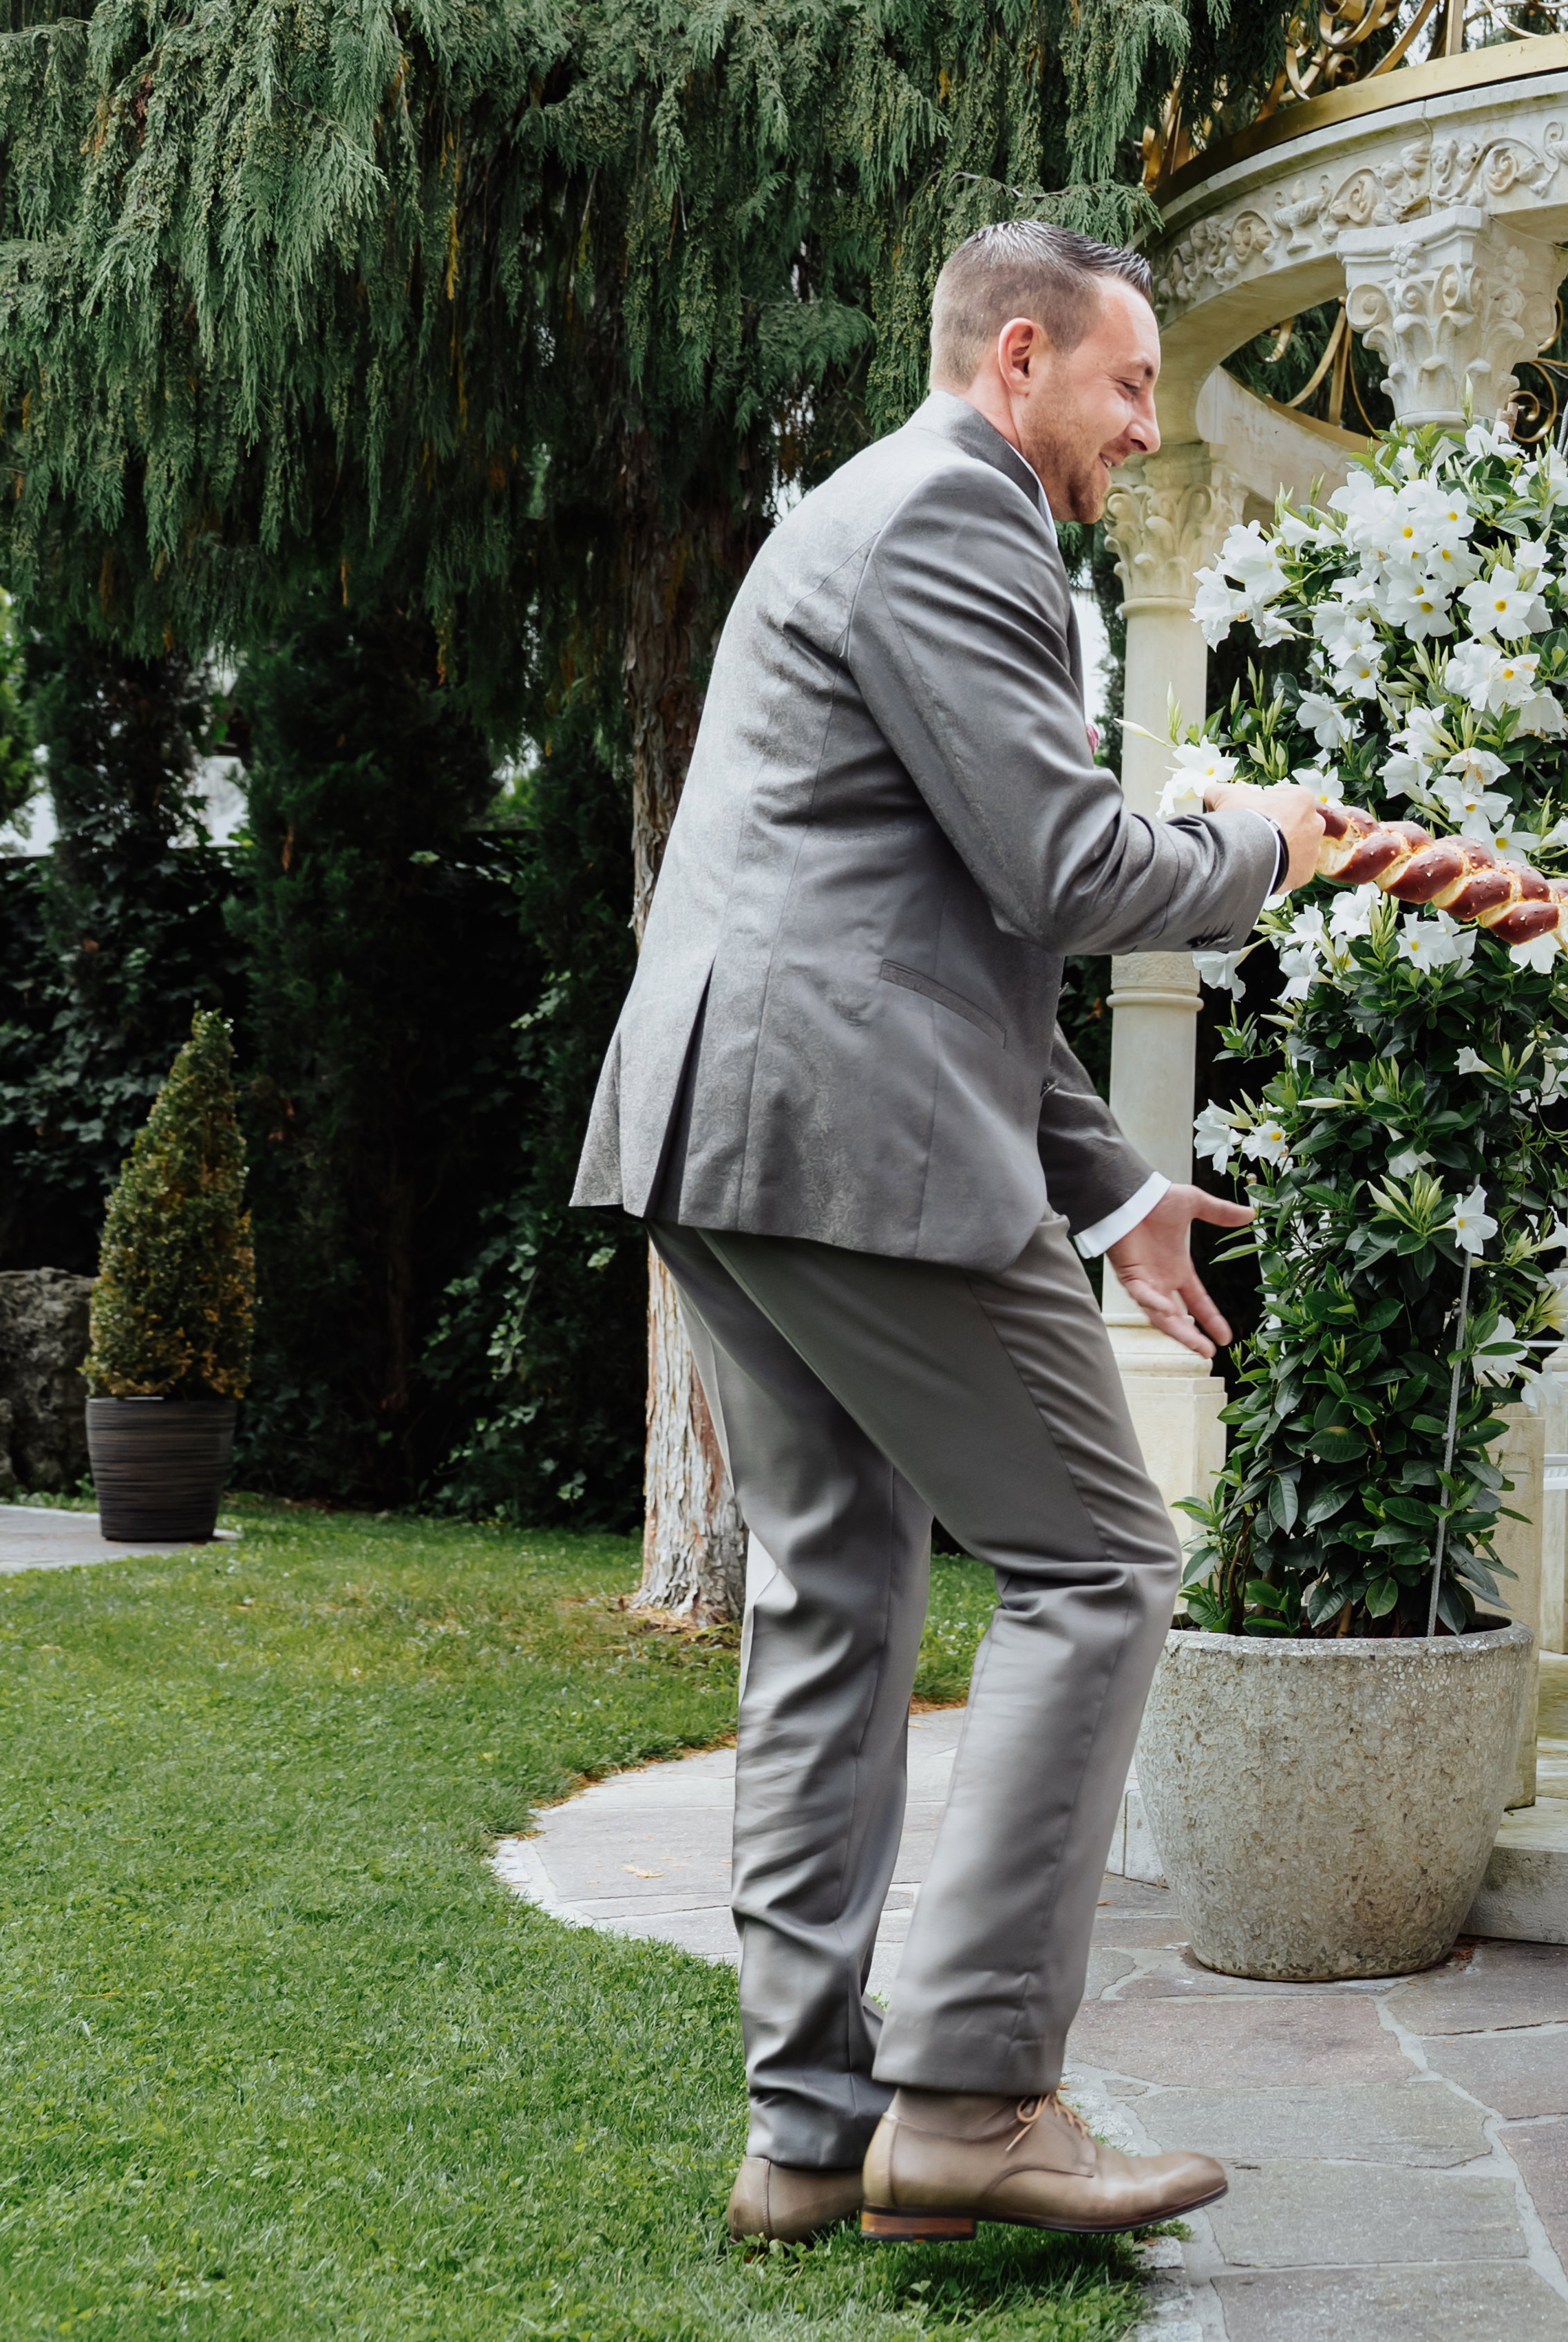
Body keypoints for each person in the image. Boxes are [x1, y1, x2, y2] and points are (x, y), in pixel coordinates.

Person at [572, 220, 1326, 2247]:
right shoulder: (959, 521)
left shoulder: (870, 511)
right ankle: (977, 2097)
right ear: (1021, 358)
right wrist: (1273, 839)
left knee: (837, 1600)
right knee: (1101, 1559)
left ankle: (807, 2139)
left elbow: (927, 920)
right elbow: (1070, 869)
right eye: (1125, 387)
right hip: (852, 1141)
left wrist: (1116, 1183)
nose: (1138, 429)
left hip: (739, 1129)